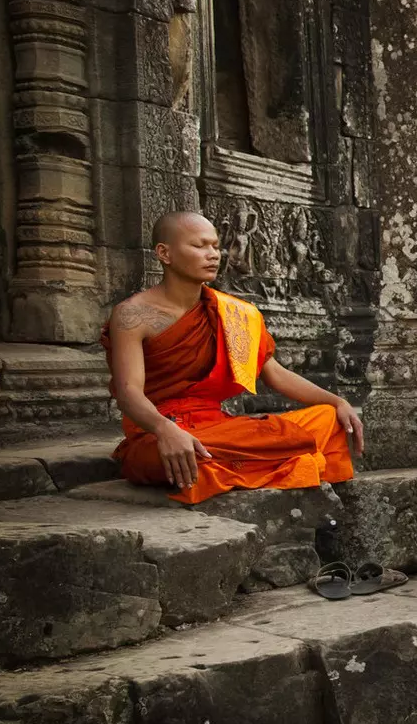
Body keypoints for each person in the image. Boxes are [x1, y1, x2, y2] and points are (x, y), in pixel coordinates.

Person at [104, 211, 363, 504]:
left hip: (219, 427)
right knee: (181, 455)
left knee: (328, 418)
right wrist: (165, 429)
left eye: (215, 246)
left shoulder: (233, 313)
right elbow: (128, 392)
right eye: (200, 246)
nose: (213, 254)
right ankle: (269, 462)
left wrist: (336, 401)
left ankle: (234, 466)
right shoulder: (133, 315)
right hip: (158, 431)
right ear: (164, 253)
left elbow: (274, 374)